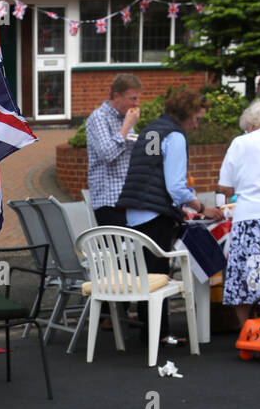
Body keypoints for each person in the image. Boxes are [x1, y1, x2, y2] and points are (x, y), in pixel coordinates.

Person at [116, 86, 220, 343]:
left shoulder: (152, 129)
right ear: (187, 113)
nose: (196, 125)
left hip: (135, 209)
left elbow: (152, 172)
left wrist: (175, 202)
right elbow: (175, 184)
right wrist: (201, 207)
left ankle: (148, 332)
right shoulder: (175, 136)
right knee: (159, 274)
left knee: (145, 274)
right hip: (155, 214)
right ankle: (158, 335)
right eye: (197, 119)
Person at [219, 98, 260, 331]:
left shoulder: (240, 143)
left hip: (249, 218)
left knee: (244, 279)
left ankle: (248, 331)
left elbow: (225, 187)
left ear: (252, 123)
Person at [85, 73, 142, 225]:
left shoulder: (125, 118)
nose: (137, 104)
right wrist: (126, 127)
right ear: (117, 96)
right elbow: (107, 154)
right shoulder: (99, 117)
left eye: (138, 98)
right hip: (108, 200)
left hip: (127, 197)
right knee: (116, 248)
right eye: (132, 99)